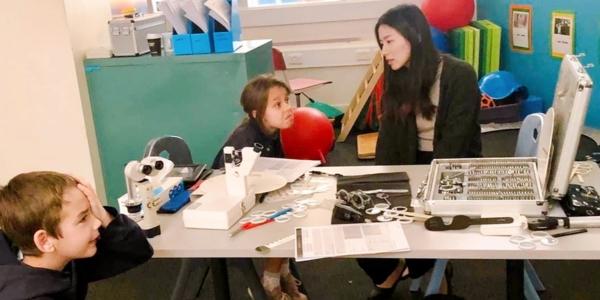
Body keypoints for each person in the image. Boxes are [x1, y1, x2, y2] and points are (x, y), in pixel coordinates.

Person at [358, 4, 481, 300]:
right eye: (381, 44)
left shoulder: (459, 74)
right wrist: (382, 182)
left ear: (413, 36)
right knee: (363, 216)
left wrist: (423, 189)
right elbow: (389, 137)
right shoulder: (397, 76)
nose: (384, 51)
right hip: (412, 160)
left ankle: (427, 266)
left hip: (452, 165)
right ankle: (392, 271)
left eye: (389, 41)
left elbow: (457, 141)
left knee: (420, 220)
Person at [212, 75, 307, 300]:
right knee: (285, 218)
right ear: (256, 113)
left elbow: (276, 171)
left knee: (295, 209)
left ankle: (282, 272)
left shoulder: (270, 131)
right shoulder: (246, 141)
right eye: (278, 104)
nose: (288, 108)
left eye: (286, 100)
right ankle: (270, 283)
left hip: (256, 196)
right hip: (232, 206)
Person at [0, 171, 154, 299]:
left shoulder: (64, 258)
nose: (97, 223)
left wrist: (102, 213)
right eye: (83, 218)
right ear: (44, 240)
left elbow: (137, 251)